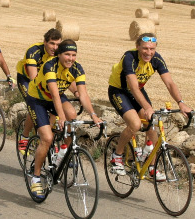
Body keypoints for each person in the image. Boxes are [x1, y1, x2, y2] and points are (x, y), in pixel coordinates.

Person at [108, 33, 192, 181]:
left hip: (137, 91)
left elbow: (170, 83)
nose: (149, 52)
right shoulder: (129, 57)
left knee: (152, 126)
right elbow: (133, 87)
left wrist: (181, 102)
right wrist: (147, 107)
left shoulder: (157, 59)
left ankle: (151, 167)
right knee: (135, 123)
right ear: (137, 47)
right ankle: (117, 156)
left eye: (152, 48)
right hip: (119, 91)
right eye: (145, 48)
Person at [26, 39, 102, 198]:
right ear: (59, 54)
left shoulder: (77, 68)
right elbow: (54, 94)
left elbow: (83, 95)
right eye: (67, 54)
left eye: (74, 55)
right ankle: (36, 177)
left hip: (56, 97)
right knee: (47, 138)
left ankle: (62, 153)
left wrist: (94, 115)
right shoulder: (50, 65)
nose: (70, 58)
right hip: (38, 99)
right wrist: (60, 116)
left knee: (72, 117)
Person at [16, 28, 77, 153]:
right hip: (28, 80)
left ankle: (51, 141)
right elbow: (34, 79)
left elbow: (65, 77)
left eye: (58, 44)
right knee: (34, 103)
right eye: (52, 43)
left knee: (57, 107)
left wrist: (76, 92)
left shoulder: (60, 55)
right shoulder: (34, 52)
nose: (55, 47)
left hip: (47, 82)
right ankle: (25, 136)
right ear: (45, 42)